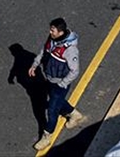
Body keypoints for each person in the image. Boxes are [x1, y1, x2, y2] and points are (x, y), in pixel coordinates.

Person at [29, 18, 85, 150]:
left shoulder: (70, 50)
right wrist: (35, 64)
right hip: (49, 78)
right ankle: (74, 114)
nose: (50, 32)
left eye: (52, 30)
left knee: (52, 110)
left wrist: (63, 83)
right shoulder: (52, 39)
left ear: (60, 32)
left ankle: (47, 136)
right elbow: (44, 51)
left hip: (60, 84)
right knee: (58, 102)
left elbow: (75, 70)